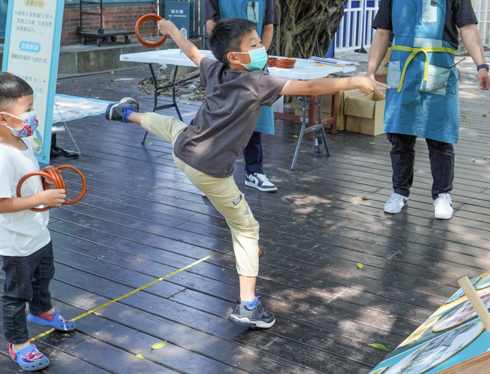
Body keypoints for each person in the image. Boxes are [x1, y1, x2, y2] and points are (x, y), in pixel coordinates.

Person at [105, 18, 387, 328]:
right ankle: (248, 306)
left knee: (173, 127)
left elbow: (191, 52)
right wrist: (356, 80)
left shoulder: (216, 70)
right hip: (210, 171)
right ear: (234, 57)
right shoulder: (258, 83)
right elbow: (309, 87)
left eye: (259, 42)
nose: (261, 48)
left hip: (184, 149)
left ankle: (126, 112)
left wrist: (171, 31)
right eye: (253, 45)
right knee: (246, 229)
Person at [365, 0, 490, 220]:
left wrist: (481, 65)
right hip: (401, 68)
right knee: (398, 133)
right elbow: (382, 34)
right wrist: (370, 72)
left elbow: (468, 29)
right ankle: (400, 191)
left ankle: (442, 194)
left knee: (439, 133)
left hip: (437, 68)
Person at [0, 72, 76, 371]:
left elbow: (24, 183)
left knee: (44, 275)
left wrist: (43, 181)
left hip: (38, 232)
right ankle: (18, 343)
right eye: (27, 108)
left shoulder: (21, 141)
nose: (32, 114)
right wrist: (39, 200)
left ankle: (42, 310)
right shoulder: (0, 157)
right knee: (16, 293)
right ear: (3, 119)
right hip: (17, 240)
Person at [203, 0, 279, 193]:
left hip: (255, 64)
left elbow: (268, 26)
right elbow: (211, 25)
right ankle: (211, 175)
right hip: (228, 64)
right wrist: (230, 57)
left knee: (253, 119)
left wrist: (260, 54)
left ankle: (254, 172)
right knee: (221, 119)